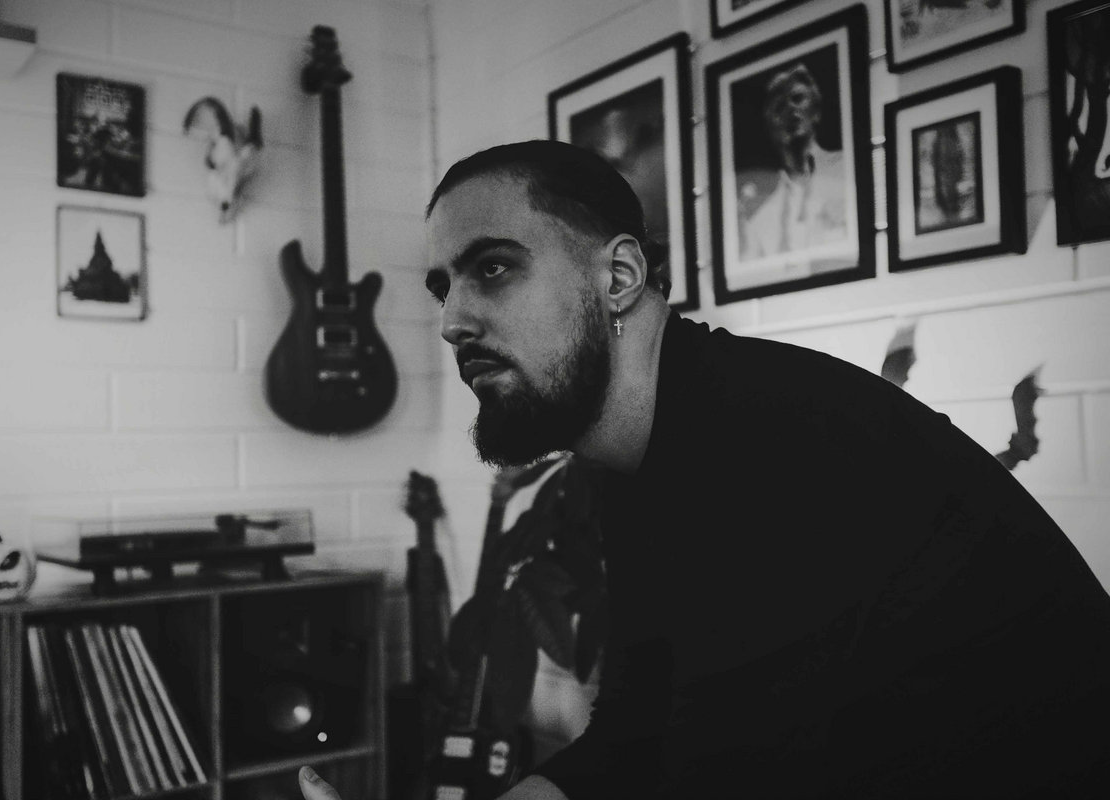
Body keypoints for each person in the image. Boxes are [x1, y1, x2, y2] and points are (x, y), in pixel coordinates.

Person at [301, 139, 1110, 799]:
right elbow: (640, 726)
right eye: (442, 287)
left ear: (619, 277)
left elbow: (730, 773)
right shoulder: (640, 451)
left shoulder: (772, 435)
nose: (451, 321)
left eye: (493, 268)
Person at [738, 62, 848, 260]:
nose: (790, 108)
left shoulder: (849, 169)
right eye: (779, 107)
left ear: (816, 112)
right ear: (771, 127)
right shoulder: (761, 220)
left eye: (798, 98)